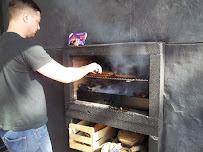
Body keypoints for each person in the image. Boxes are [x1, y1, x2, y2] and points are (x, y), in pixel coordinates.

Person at [0, 0, 102, 151]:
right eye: (37, 21)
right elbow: (65, 75)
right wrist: (89, 67)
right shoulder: (27, 47)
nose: (38, 27)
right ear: (26, 17)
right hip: (29, 130)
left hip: (7, 128)